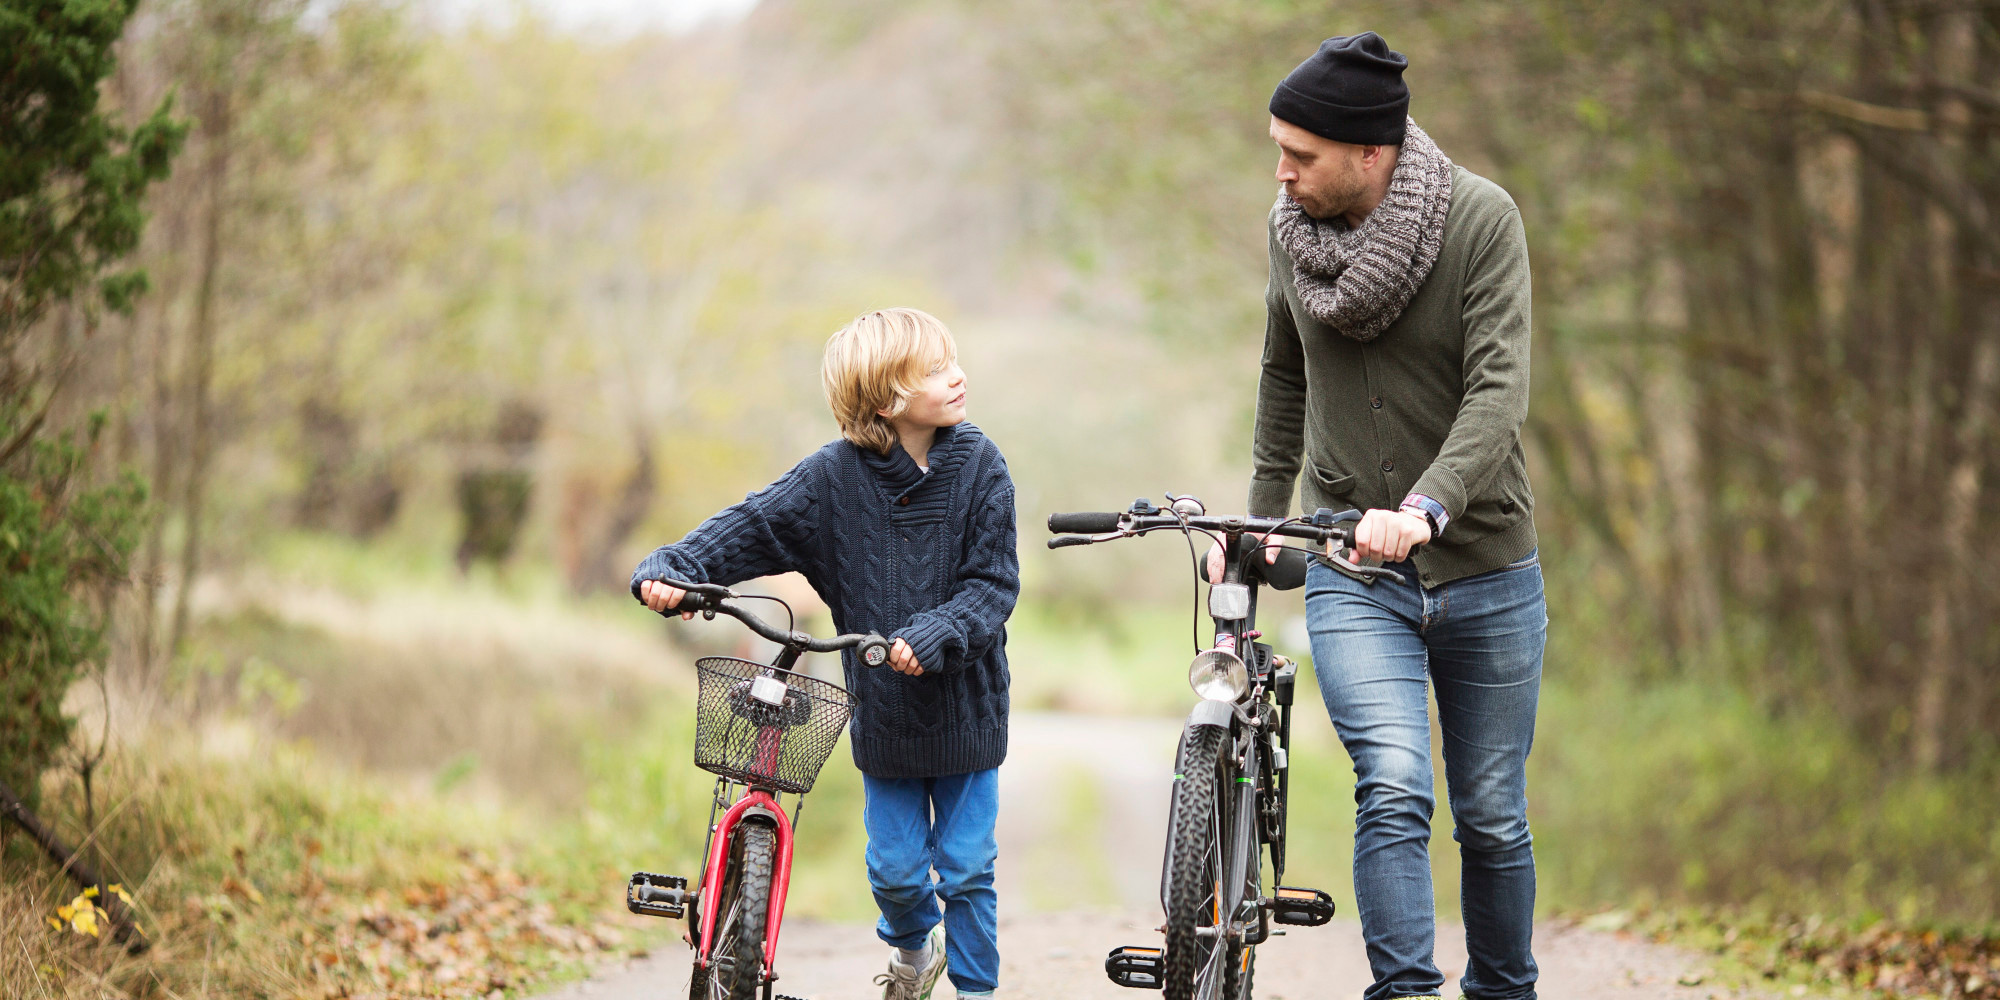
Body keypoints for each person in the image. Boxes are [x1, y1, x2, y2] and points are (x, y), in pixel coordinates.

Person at [1208, 31, 1547, 1000]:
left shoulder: (1481, 221)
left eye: (1299, 155)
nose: (1280, 172)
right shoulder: (1288, 232)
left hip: (1484, 566)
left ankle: (1502, 989)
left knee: (1489, 813)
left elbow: (1496, 392)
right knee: (1393, 785)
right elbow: (1281, 378)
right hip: (1352, 573)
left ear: (1370, 151)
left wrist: (1424, 506)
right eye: (1277, 148)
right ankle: (1403, 991)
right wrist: (1259, 525)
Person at [632, 308, 1018, 1000]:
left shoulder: (983, 468)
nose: (957, 376)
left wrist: (933, 635)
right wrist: (675, 566)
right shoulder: (832, 480)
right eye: (934, 370)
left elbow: (992, 587)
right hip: (888, 720)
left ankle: (976, 993)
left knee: (966, 870)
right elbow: (751, 525)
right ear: (883, 399)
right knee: (896, 873)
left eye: (953, 360)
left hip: (967, 713)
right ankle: (911, 953)